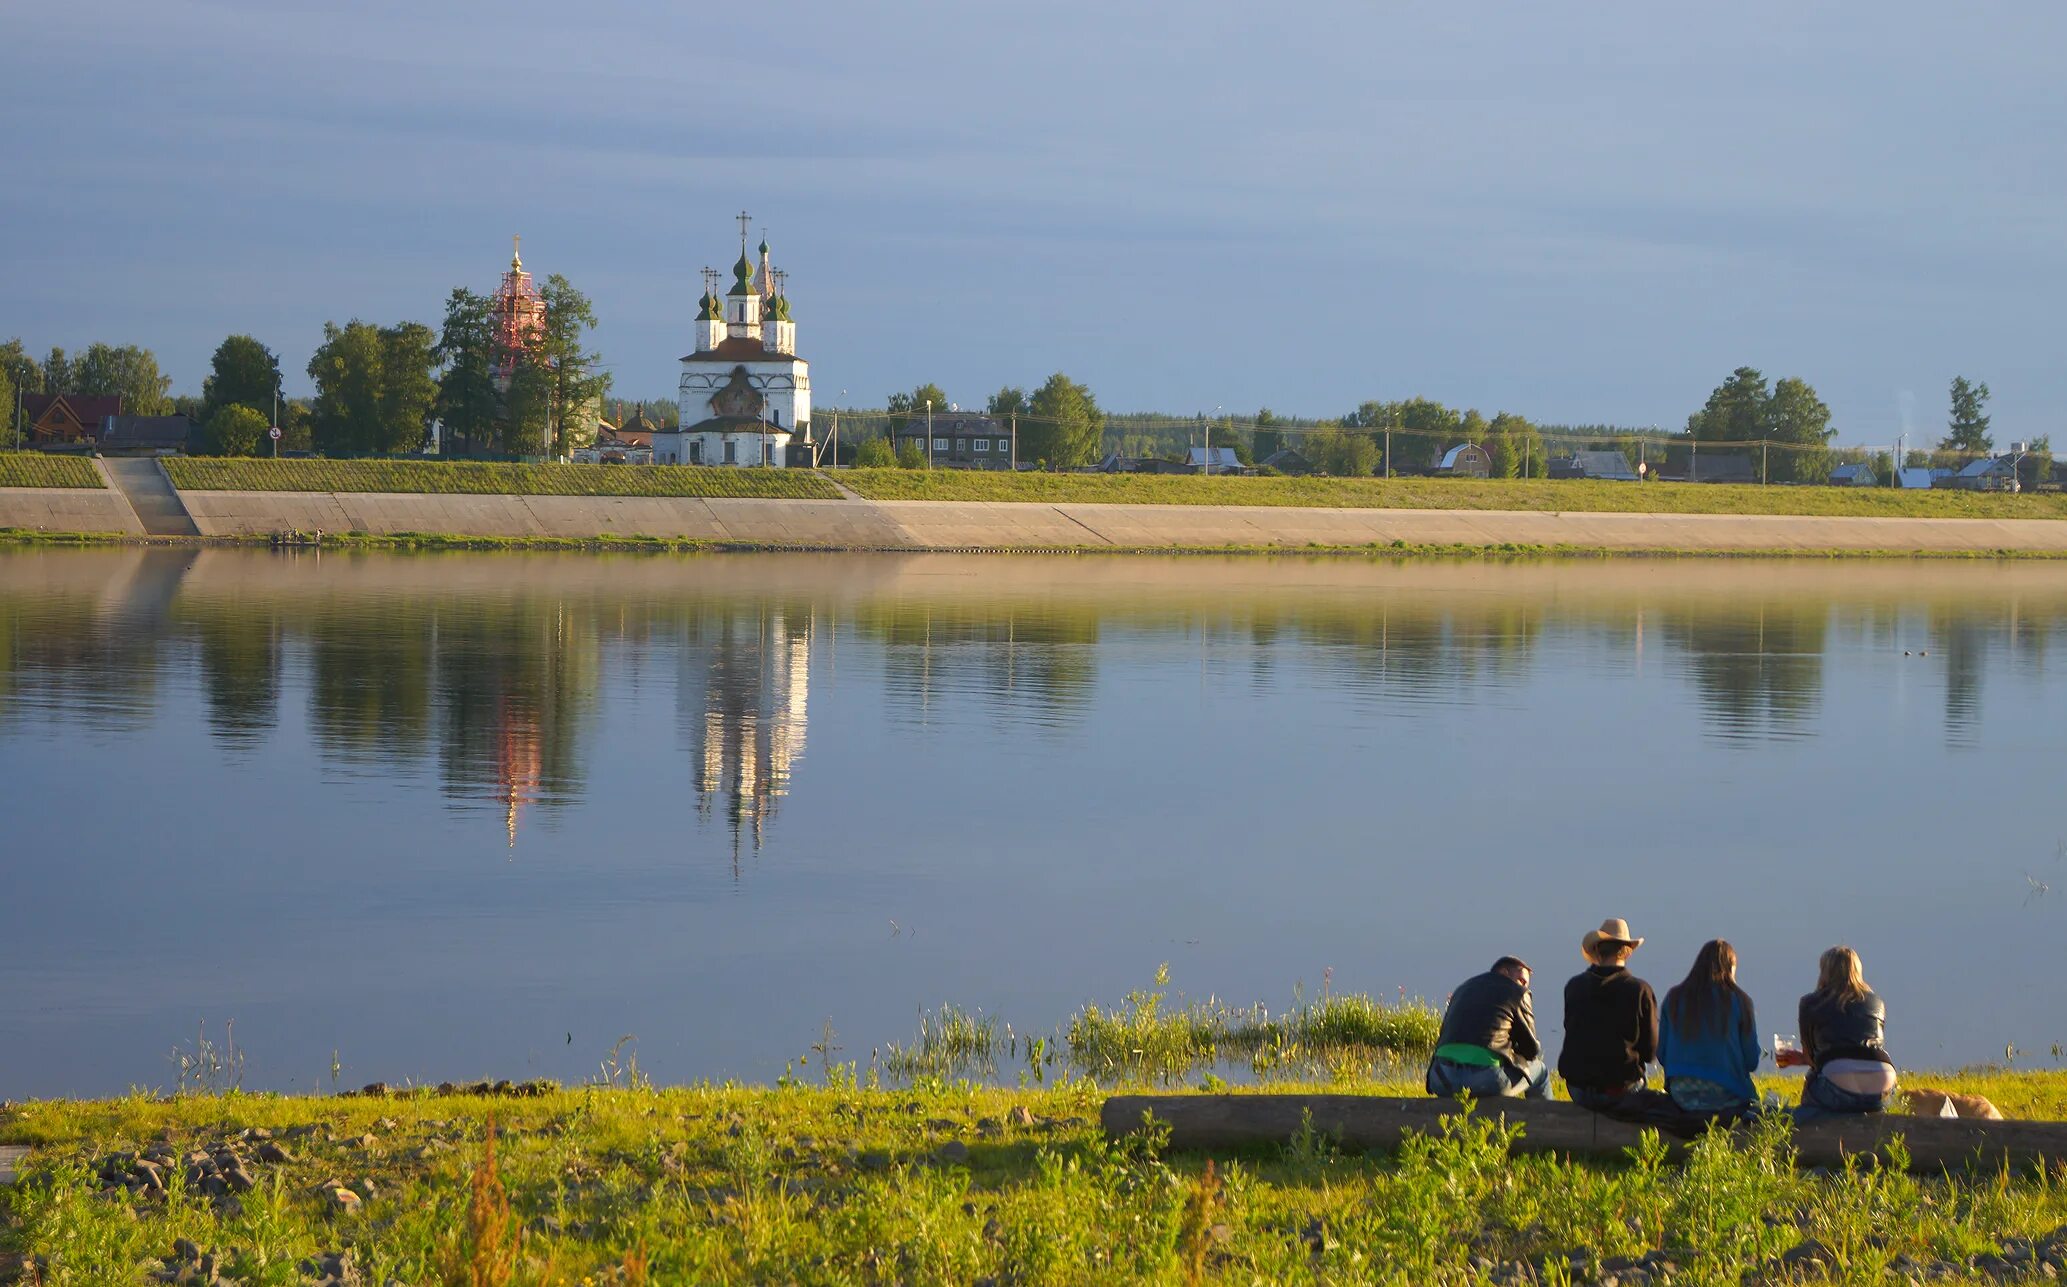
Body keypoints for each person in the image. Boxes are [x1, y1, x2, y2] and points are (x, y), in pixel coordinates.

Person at [1559, 918, 1659, 1110]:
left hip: (1578, 1090)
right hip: (1621, 1092)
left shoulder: (1574, 986)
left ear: (1596, 950)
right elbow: (1650, 1052)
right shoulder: (1640, 990)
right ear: (1627, 952)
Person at [1658, 939, 1762, 1116]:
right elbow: (1751, 1061)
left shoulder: (1673, 998)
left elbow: (1662, 1054)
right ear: (1731, 967)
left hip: (1680, 1094)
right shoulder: (1740, 1001)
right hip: (1727, 1095)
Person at [1425, 956, 1551, 1099]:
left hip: (1442, 1078)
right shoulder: (1518, 993)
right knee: (1540, 1071)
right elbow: (1531, 1050)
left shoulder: (1462, 989)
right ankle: (1544, 1120)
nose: (1524, 986)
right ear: (1504, 972)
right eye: (1521, 980)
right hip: (1486, 1081)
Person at [1792, 945, 1896, 1118]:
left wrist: (1804, 1059)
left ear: (1825, 972)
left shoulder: (1810, 1002)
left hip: (1838, 1082)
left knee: (1811, 1091)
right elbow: (1862, 1048)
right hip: (1883, 1083)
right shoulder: (1877, 1002)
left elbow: (1812, 1058)